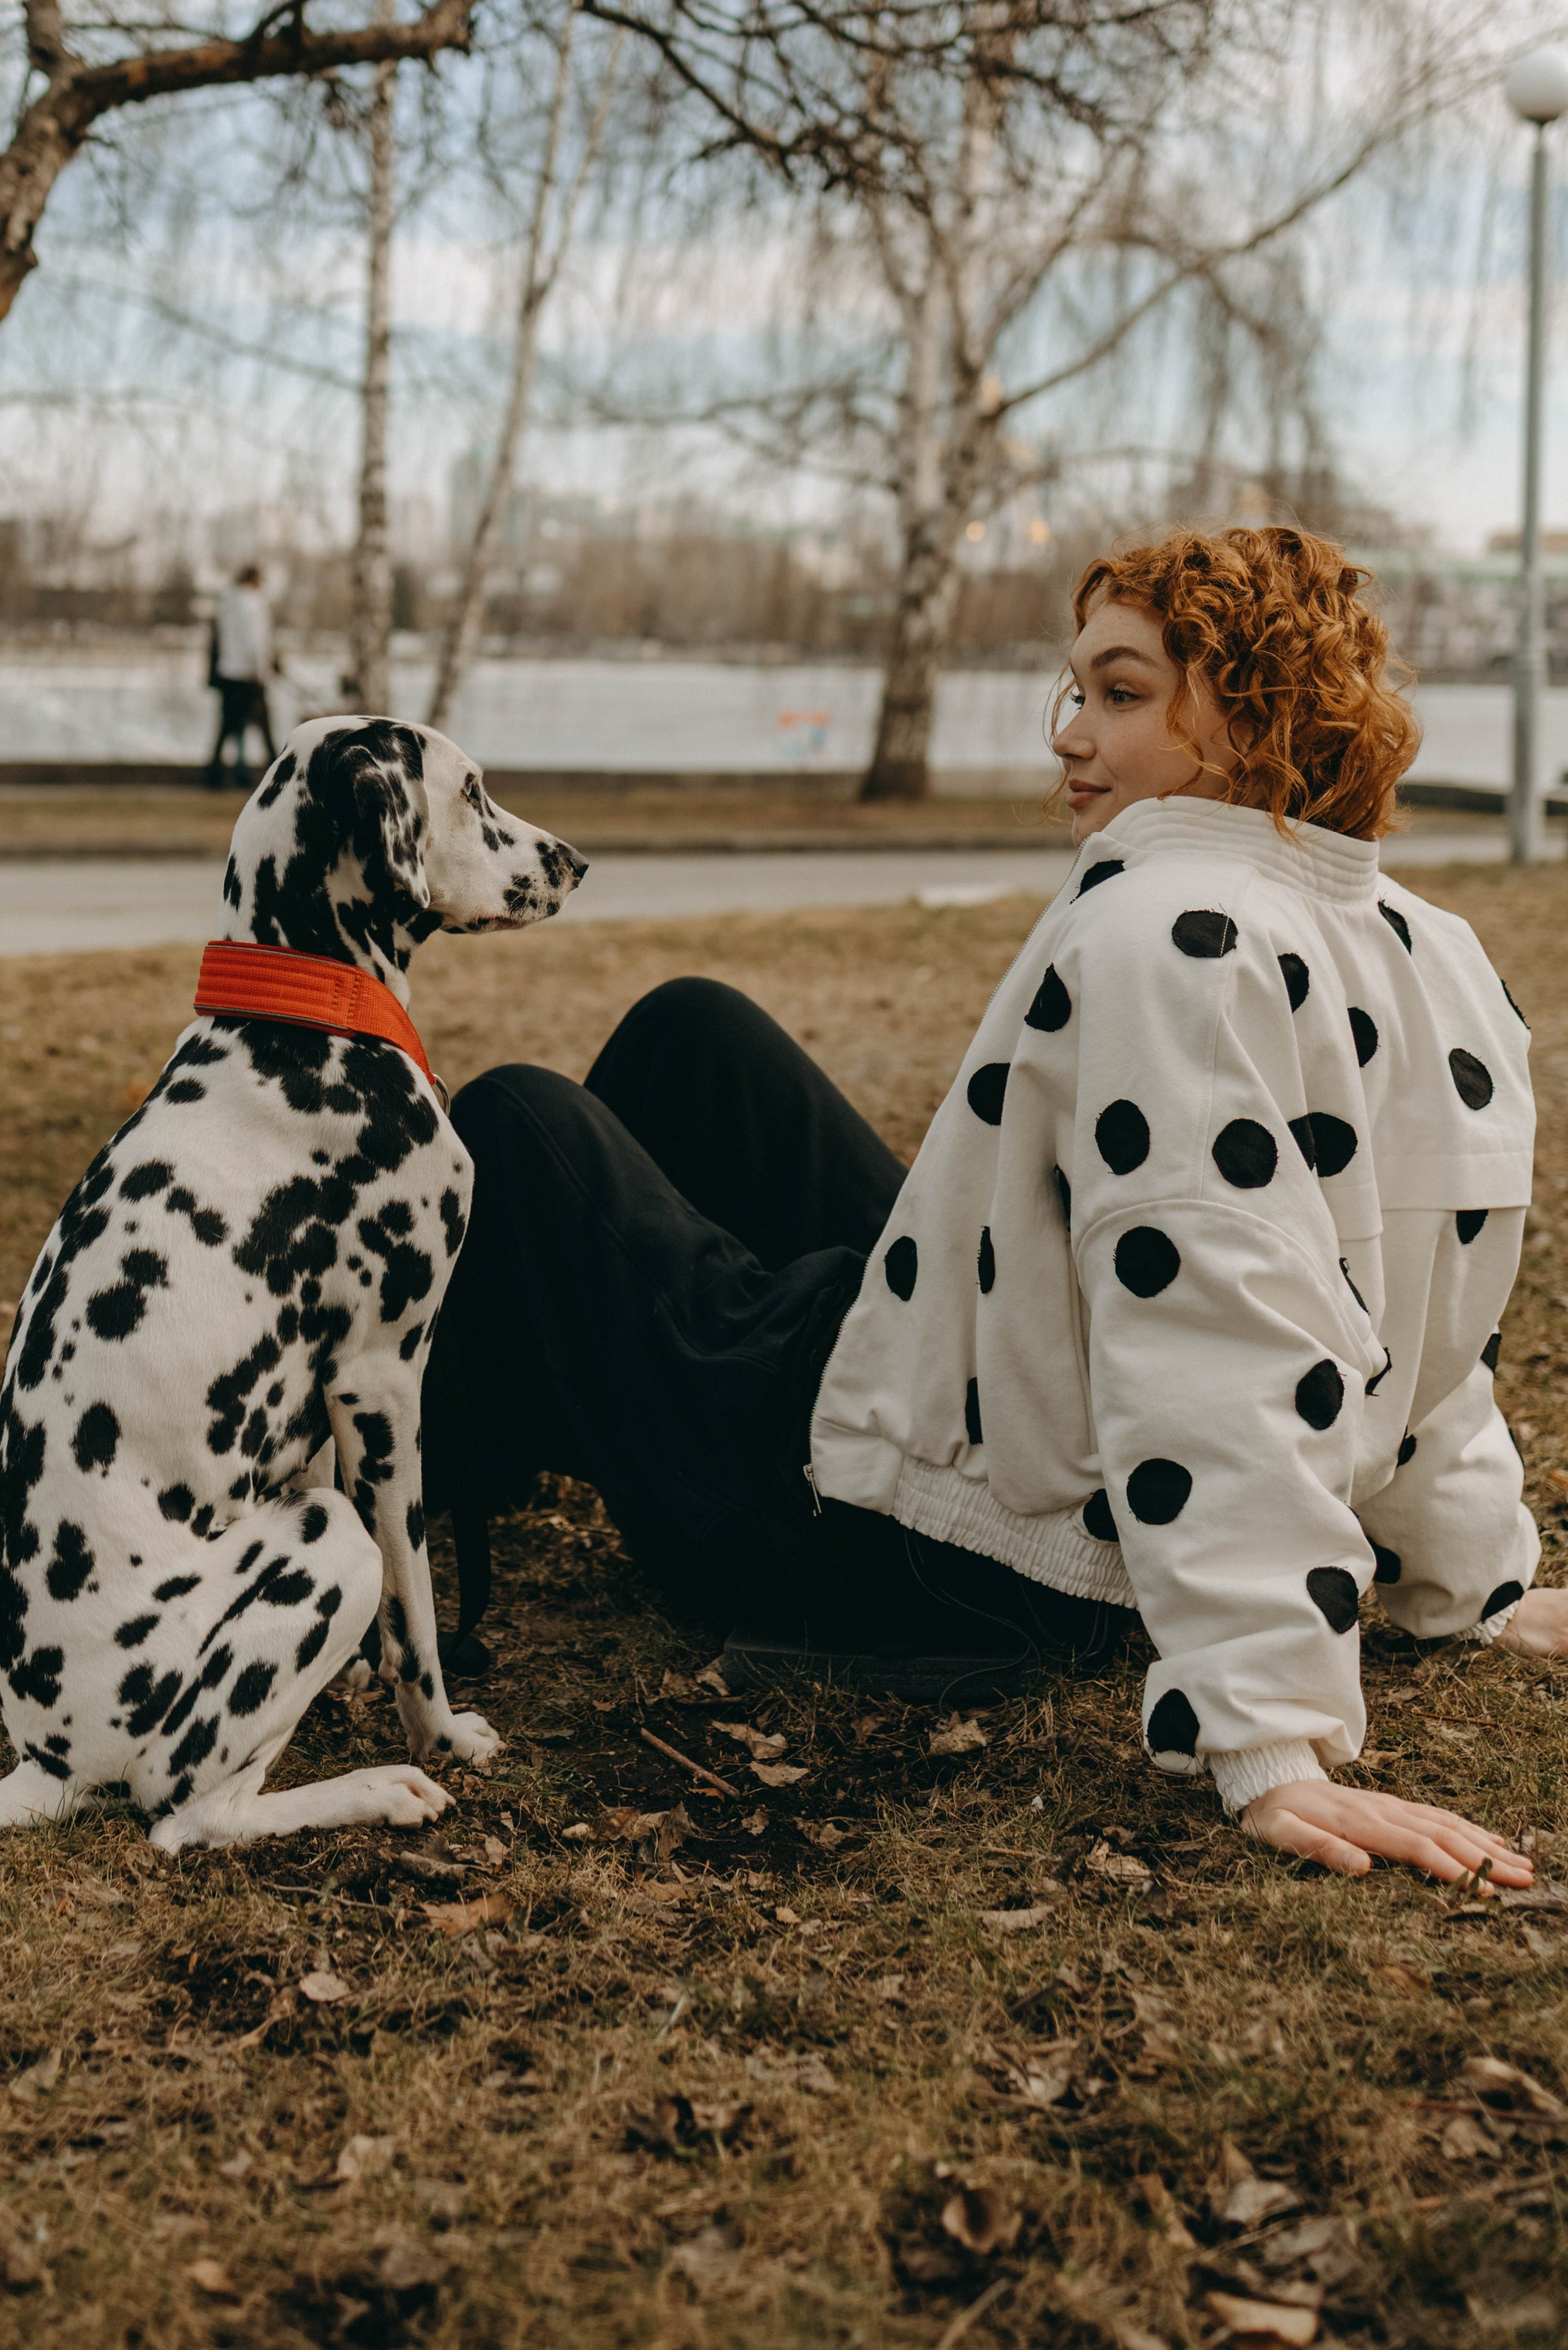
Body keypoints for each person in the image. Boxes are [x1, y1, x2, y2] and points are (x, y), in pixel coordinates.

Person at [423, 525, 1566, 1884]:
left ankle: (403, 1478)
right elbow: (1420, 1307)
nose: (1071, 735)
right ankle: (505, 1432)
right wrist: (1472, 1584)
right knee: (693, 1031)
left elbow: (1219, 1315)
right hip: (1011, 1395)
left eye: (1123, 694)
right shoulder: (1431, 943)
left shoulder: (1171, 933)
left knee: (520, 1126)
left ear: (1258, 715)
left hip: (940, 1556)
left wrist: (1261, 1730)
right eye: (1075, 690)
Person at [205, 562, 280, 788]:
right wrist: (263, 671)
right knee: (265, 727)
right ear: (255, 580)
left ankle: (214, 775)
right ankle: (277, 775)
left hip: (229, 674)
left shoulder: (227, 604)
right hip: (249, 676)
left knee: (228, 727)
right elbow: (255, 642)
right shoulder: (254, 604)